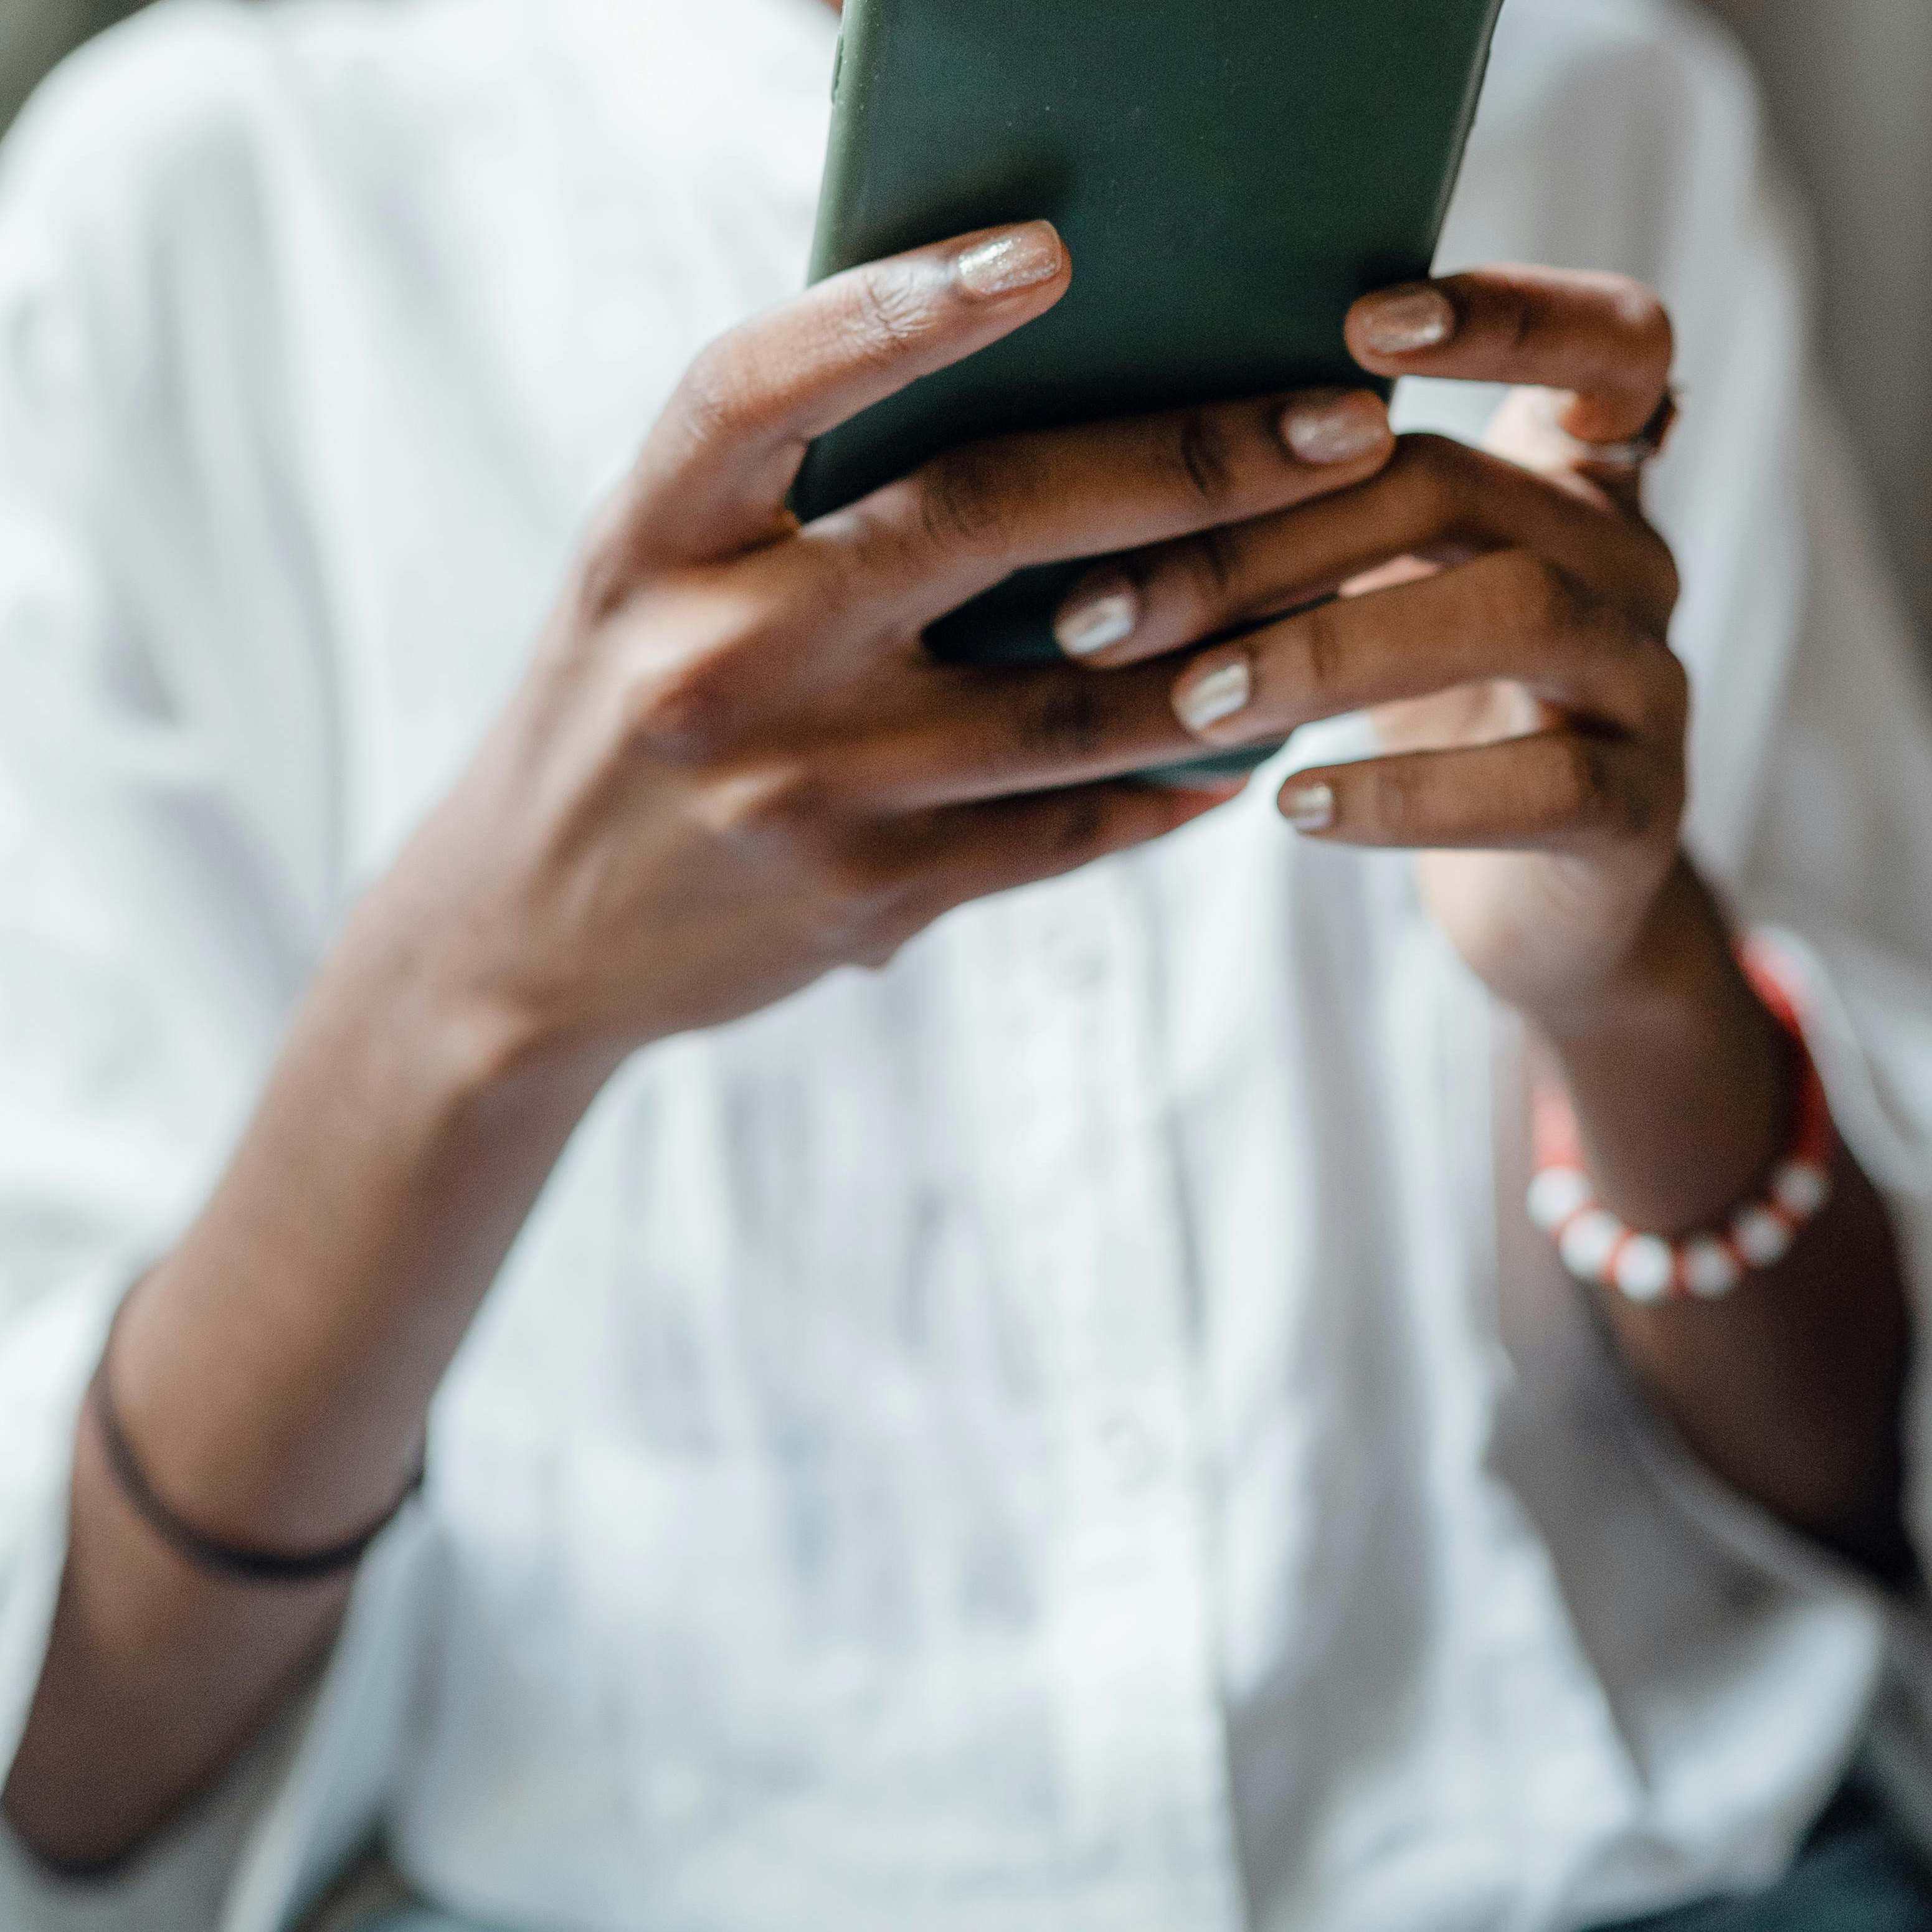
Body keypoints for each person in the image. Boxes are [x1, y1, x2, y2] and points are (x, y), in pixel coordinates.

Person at [3, 0, 1932, 1927]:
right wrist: (480, 999)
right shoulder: (198, 208)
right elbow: (72, 1761)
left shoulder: (1601, 104)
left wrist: (1636, 985)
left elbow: (1866, 1473)